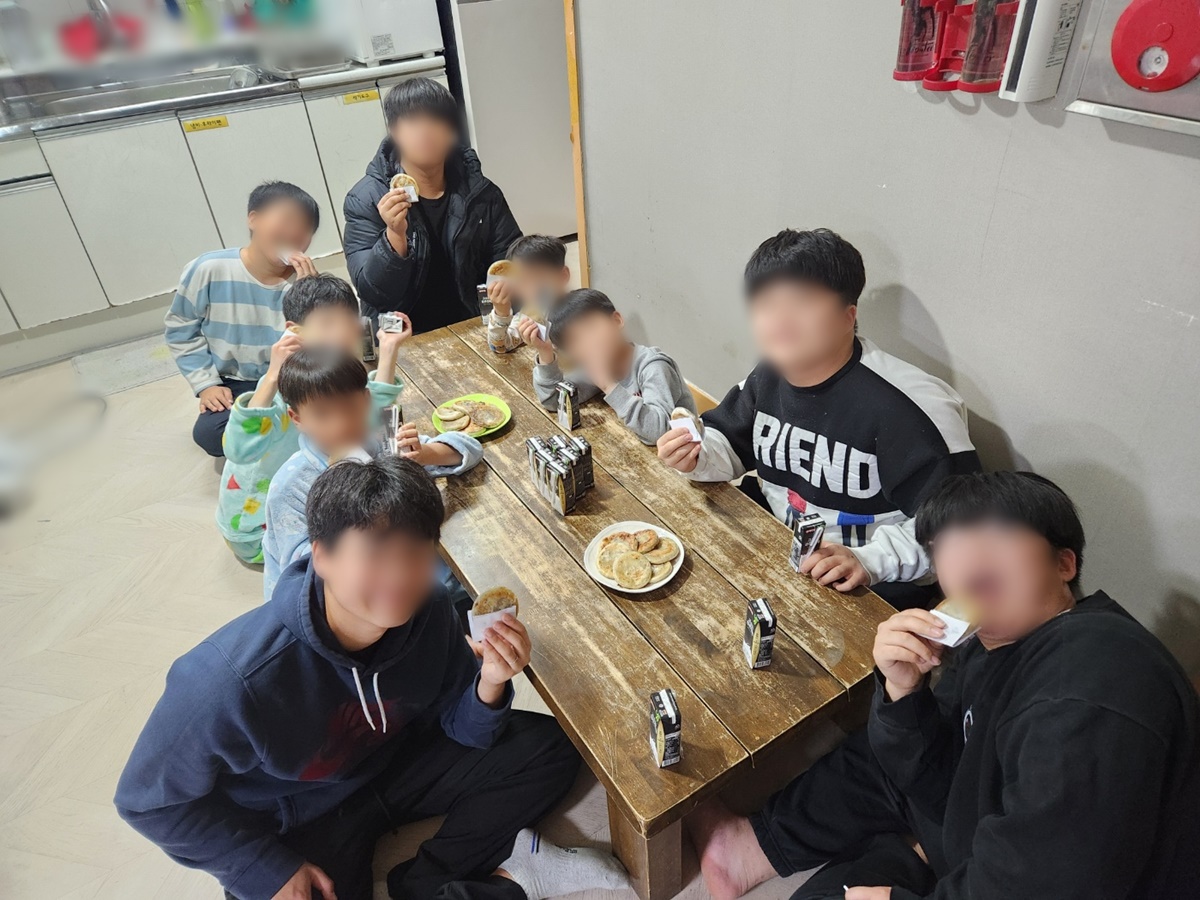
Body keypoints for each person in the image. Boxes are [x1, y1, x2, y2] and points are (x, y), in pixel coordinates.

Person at [115, 456, 630, 900]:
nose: (400, 575)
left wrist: (489, 681)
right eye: (376, 553)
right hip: (303, 816)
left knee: (552, 746)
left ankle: (435, 880)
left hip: (397, 765)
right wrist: (265, 868)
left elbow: (462, 727)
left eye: (416, 552)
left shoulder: (430, 612)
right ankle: (511, 882)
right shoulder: (229, 680)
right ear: (321, 555)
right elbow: (148, 802)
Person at [686, 471, 1200, 900]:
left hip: (1028, 871)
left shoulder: (1094, 674)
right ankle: (753, 848)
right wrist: (903, 692)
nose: (964, 550)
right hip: (970, 832)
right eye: (942, 544)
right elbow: (932, 772)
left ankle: (910, 857)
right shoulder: (987, 646)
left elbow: (1052, 879)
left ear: (1063, 564)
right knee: (876, 752)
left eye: (998, 529)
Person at [657, 228, 980, 608]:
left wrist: (868, 561)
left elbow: (961, 530)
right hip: (781, 543)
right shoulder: (768, 375)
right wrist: (694, 456)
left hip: (872, 584)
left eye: (801, 300)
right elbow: (727, 444)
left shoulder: (913, 407)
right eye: (764, 303)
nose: (779, 318)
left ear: (848, 316)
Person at [262, 346, 483, 599]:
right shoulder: (291, 487)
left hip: (413, 571)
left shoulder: (381, 443)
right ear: (297, 418)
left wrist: (424, 454)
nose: (341, 424)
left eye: (350, 407)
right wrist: (342, 492)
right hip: (350, 600)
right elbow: (306, 574)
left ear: (366, 400)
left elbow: (471, 449)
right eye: (322, 414)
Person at [217, 274, 409, 564]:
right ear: (294, 332)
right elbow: (238, 449)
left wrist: (389, 349)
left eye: (348, 322)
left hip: (311, 492)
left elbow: (370, 418)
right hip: (256, 527)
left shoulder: (330, 375)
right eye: (328, 324)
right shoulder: (284, 391)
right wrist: (272, 376)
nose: (342, 334)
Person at [343, 77, 522, 333]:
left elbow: (509, 259)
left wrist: (508, 294)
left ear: (451, 130)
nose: (425, 131)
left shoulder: (482, 193)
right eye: (412, 120)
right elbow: (373, 292)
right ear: (394, 130)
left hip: (472, 321)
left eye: (436, 119)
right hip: (401, 331)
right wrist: (394, 235)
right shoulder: (367, 199)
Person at [165, 181, 321, 457]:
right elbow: (181, 330)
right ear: (254, 219)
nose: (295, 233)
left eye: (306, 228)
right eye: (287, 220)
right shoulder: (209, 269)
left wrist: (310, 294)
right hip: (235, 382)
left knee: (336, 413)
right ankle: (284, 438)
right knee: (211, 434)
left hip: (292, 378)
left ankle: (278, 438)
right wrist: (207, 384)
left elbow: (322, 346)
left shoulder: (305, 281)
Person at [524, 288, 697, 445]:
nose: (587, 343)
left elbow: (659, 433)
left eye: (590, 328)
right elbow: (556, 401)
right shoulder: (595, 370)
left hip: (684, 459)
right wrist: (545, 352)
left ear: (616, 320)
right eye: (574, 341)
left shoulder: (653, 367)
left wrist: (608, 385)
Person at [487, 234, 571, 353]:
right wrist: (501, 312)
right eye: (522, 281)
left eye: (540, 279)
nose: (531, 289)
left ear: (563, 276)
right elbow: (500, 346)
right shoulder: (532, 313)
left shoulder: (581, 311)